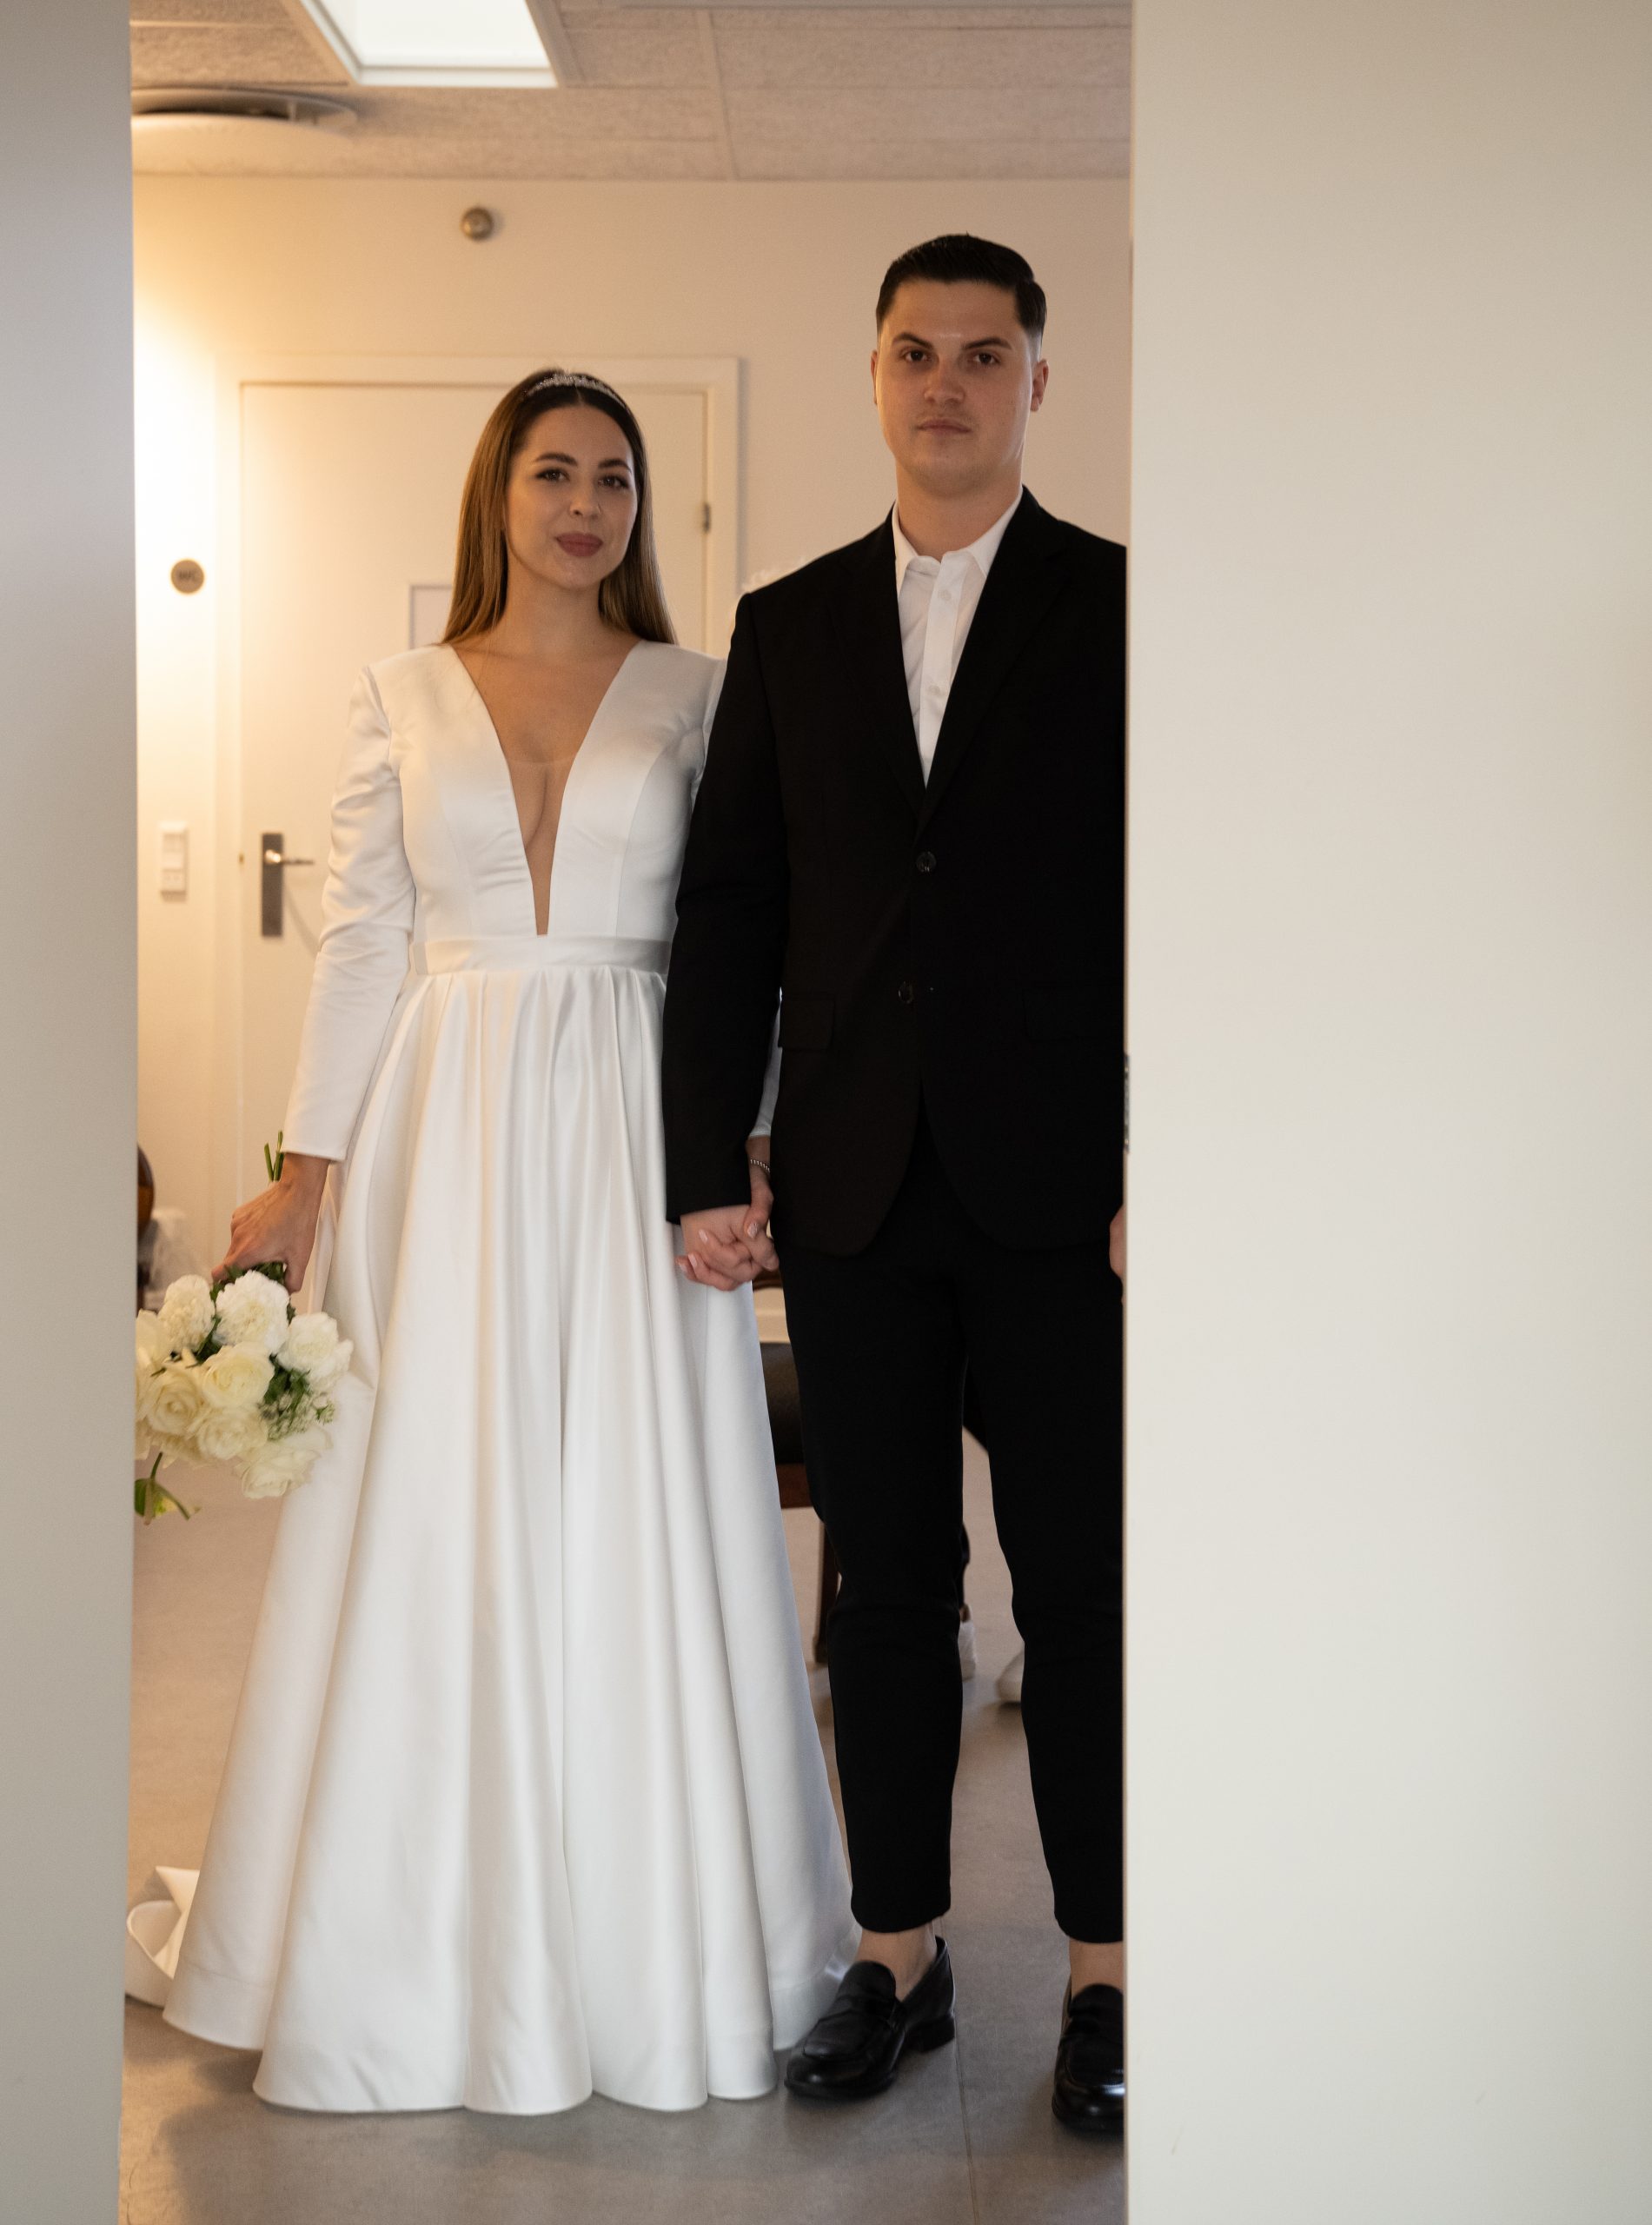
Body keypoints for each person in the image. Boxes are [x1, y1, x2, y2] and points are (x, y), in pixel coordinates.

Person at [163, 368, 857, 2114]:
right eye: (555, 473)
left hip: (637, 1106)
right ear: (498, 492)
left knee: (635, 1479)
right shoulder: (397, 692)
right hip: (444, 1117)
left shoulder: (700, 690)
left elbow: (747, 937)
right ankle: (408, 1933)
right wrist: (307, 1170)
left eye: (615, 479)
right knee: (436, 1483)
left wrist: (748, 1136)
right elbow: (361, 940)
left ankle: (654, 1926)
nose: (585, 506)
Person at [663, 235, 1126, 2132]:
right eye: (916, 352)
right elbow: (732, 911)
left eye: (984, 353)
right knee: (886, 1598)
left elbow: (1182, 901)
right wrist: (706, 1161)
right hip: (849, 1194)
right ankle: (901, 1954)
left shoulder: (1124, 606)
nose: (947, 382)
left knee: (1084, 1588)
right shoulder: (788, 625)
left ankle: (1106, 1975)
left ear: (1038, 383)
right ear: (872, 376)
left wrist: (1160, 1154)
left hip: (1065, 1198)